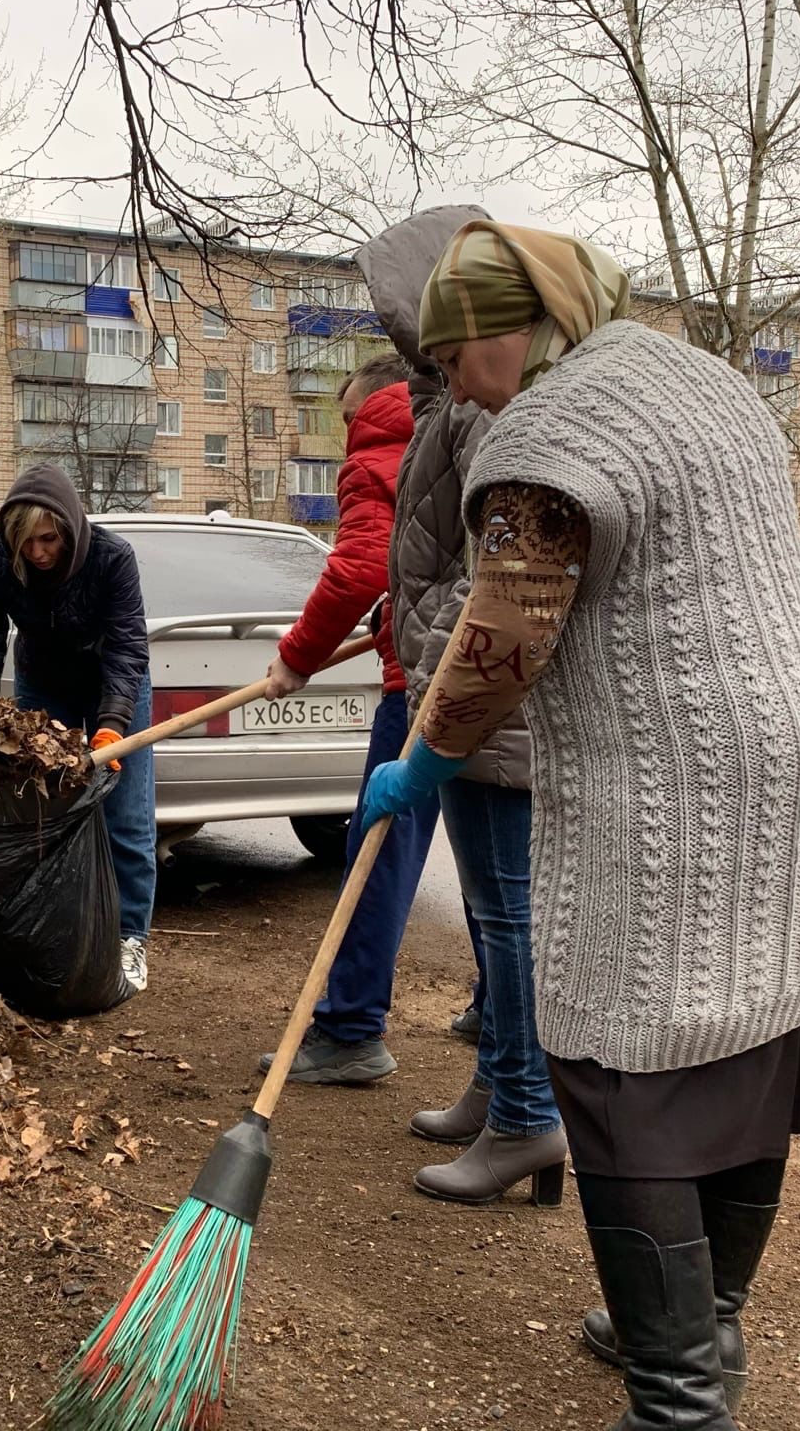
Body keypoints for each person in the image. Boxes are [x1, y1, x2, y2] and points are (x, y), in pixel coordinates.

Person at [363, 220, 800, 1428]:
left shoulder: (547, 433)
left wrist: (425, 760)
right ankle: (710, 1324)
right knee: (752, 1034)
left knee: (614, 1058)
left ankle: (679, 1395)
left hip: (687, 774)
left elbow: (502, 643)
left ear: (501, 330)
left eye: (449, 359)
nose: (448, 385)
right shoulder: (703, 379)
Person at [357, 209, 564, 1202]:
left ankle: (529, 1113)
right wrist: (399, 615)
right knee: (494, 919)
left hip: (488, 703)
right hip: (457, 684)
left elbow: (499, 583)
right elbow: (437, 554)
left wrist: (431, 667)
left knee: (509, 919)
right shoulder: (447, 400)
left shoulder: (487, 407)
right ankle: (500, 1085)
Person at [253, 345, 487, 1085]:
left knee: (378, 847)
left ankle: (351, 1028)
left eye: (347, 413)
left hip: (417, 686)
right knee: (487, 857)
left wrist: (296, 656)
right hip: (484, 680)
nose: (345, 429)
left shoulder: (379, 450)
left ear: (376, 404)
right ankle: (501, 1005)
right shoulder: (467, 429)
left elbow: (355, 568)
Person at [0, 465, 156, 994]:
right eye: (26, 543)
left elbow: (128, 646)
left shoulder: (112, 558)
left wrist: (113, 725)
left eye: (48, 539)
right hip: (44, 683)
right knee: (41, 811)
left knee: (127, 813)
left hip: (114, 681)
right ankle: (52, 926)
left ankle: (130, 938)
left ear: (68, 527)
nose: (38, 553)